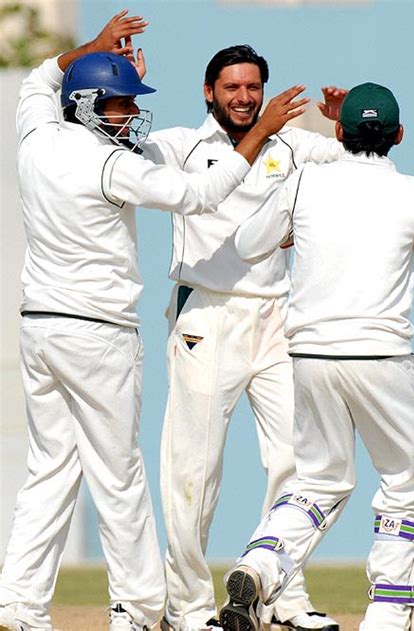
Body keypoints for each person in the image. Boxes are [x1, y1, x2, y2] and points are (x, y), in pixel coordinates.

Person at [0, 12, 307, 631]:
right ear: (84, 105)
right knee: (119, 475)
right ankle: (139, 611)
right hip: (97, 333)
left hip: (38, 327)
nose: (127, 114)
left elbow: (37, 78)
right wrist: (260, 131)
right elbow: (199, 194)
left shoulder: (34, 133)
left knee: (50, 469)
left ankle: (19, 605)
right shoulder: (109, 165)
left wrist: (93, 50)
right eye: (115, 103)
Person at [220, 82, 414, 631]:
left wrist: (291, 229)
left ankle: (259, 565)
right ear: (399, 136)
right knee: (410, 481)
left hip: (310, 355)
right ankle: (386, 613)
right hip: (382, 357)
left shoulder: (304, 181)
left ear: (339, 132)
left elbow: (247, 244)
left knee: (318, 479)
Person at [145, 45, 346, 631]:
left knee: (296, 461)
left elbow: (366, 158)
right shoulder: (182, 145)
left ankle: (279, 594)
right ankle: (185, 608)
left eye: (253, 88)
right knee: (194, 470)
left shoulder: (292, 144)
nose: (244, 98)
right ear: (209, 92)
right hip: (206, 317)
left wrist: (337, 122)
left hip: (276, 316)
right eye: (231, 88)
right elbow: (127, 153)